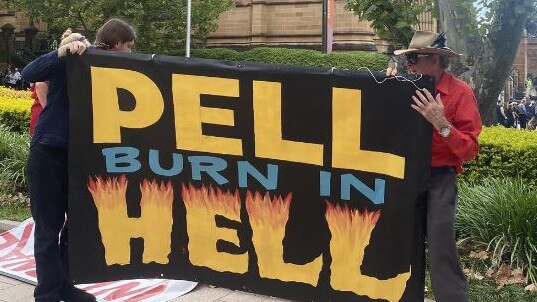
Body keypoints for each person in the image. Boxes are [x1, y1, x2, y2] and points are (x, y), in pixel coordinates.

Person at [22, 19, 136, 302]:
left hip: (82, 156)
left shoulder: (114, 71)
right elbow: (29, 73)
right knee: (48, 226)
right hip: (50, 151)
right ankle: (47, 293)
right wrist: (61, 52)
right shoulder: (76, 57)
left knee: (76, 226)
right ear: (116, 43)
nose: (131, 53)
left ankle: (63, 286)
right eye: (129, 47)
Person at [386, 31, 482, 302]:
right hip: (403, 176)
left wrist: (442, 125)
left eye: (415, 58)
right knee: (397, 242)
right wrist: (382, 89)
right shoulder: (403, 85)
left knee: (441, 247)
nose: (410, 65)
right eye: (408, 59)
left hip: (440, 177)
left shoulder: (460, 93)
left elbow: (471, 149)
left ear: (436, 60)